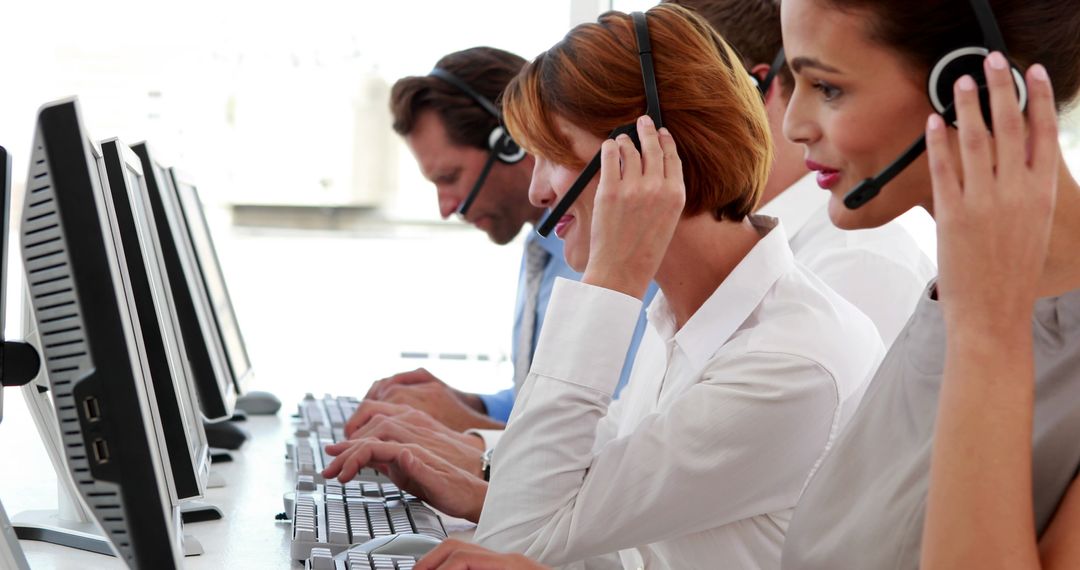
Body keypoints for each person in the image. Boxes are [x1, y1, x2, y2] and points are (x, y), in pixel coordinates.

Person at [327, 6, 884, 567]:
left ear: (650, 152)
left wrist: (611, 281)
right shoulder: (685, 317)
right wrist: (475, 483)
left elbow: (518, 533)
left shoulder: (786, 363)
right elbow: (621, 528)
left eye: (554, 154)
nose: (540, 190)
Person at [771, 0, 1080, 568]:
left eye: (827, 86)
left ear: (978, 89)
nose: (792, 124)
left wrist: (987, 334)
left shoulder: (982, 321)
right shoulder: (948, 302)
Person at [363, 47, 654, 433]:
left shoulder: (616, 253)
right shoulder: (542, 248)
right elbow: (543, 404)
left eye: (449, 178)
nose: (446, 208)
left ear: (512, 144)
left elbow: (613, 437)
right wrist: (471, 405)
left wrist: (469, 428)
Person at [664, 0, 935, 348]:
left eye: (826, 87)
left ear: (747, 91)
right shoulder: (702, 266)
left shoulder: (858, 263)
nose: (796, 126)